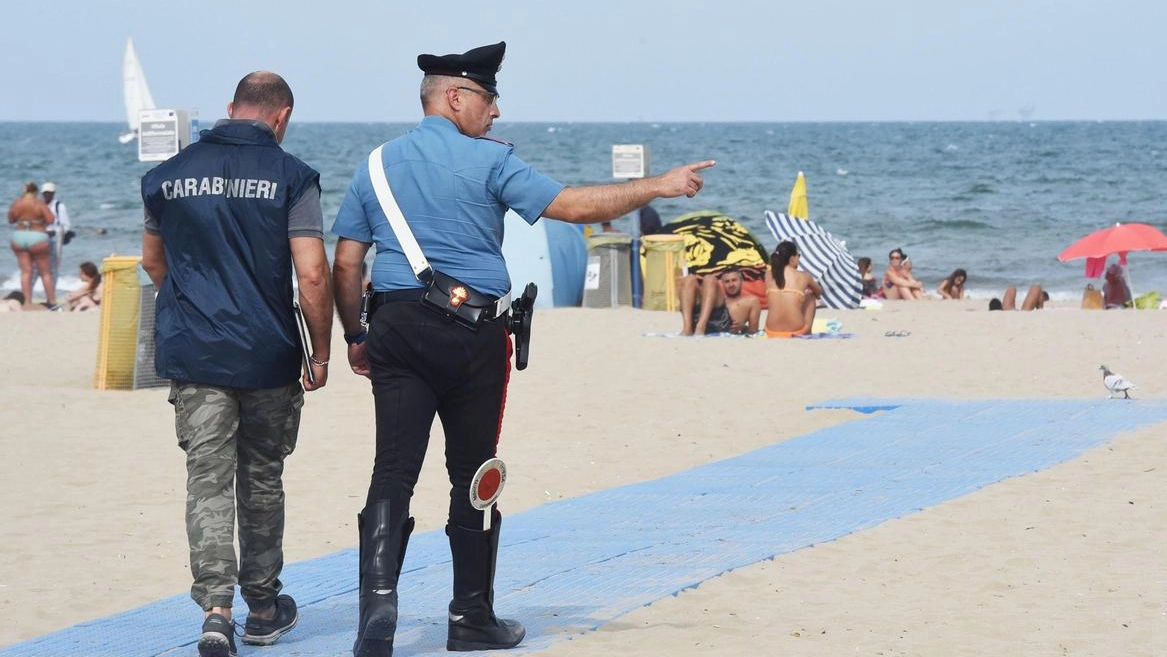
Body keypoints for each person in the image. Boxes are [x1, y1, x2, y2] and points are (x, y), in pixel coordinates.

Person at [329, 41, 713, 657]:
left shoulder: (374, 165)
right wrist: (658, 186)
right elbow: (572, 207)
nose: (497, 111)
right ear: (455, 97)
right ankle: (470, 617)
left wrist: (354, 337)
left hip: (395, 329)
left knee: (392, 469)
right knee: (473, 473)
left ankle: (376, 613)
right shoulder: (489, 161)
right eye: (488, 98)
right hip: (471, 333)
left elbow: (346, 265)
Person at [140, 71, 333, 657]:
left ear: (230, 109)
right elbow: (313, 275)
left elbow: (154, 263)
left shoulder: (165, 177)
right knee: (261, 477)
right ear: (282, 117)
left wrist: (199, 305)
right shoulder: (292, 177)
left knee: (207, 478)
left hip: (195, 351)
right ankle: (264, 606)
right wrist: (321, 351)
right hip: (267, 350)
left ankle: (215, 612)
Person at [8, 182, 57, 309]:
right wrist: (40, 222)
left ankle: (27, 302)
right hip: (37, 236)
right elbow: (51, 219)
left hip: (19, 236)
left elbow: (11, 219)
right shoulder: (39, 204)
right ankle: (52, 302)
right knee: (45, 272)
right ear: (35, 192)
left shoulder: (16, 203)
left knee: (26, 272)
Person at [765, 240, 823, 337]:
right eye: (798, 256)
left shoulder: (768, 275)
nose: (799, 259)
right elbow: (819, 292)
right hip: (797, 331)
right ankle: (808, 331)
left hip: (771, 330)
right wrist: (806, 291)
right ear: (792, 259)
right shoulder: (804, 276)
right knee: (811, 296)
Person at [678, 267, 759, 335]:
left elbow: (753, 331)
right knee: (689, 279)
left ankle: (701, 326)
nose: (731, 285)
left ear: (741, 281)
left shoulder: (751, 301)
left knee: (709, 278)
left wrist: (743, 327)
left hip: (723, 323)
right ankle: (687, 328)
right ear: (722, 284)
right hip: (700, 317)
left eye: (734, 280)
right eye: (727, 282)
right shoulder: (715, 297)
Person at [42, 182, 73, 295]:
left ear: (53, 193)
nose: (47, 195)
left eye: (49, 193)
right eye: (45, 193)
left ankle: (52, 292)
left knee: (54, 266)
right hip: (42, 238)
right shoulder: (41, 205)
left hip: (55, 238)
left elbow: (66, 225)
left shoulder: (59, 206)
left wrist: (56, 232)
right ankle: (47, 291)